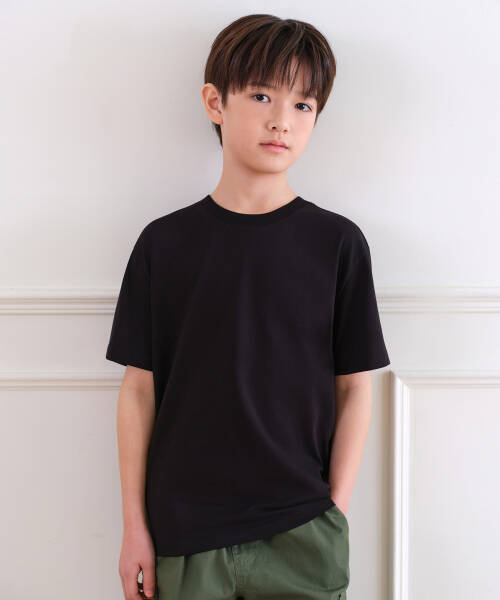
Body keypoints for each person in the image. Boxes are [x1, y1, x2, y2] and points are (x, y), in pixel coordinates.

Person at [106, 13, 390, 600]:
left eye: (303, 104)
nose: (281, 119)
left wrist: (333, 510)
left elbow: (355, 388)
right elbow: (138, 390)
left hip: (303, 529)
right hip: (185, 533)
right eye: (262, 95)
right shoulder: (164, 244)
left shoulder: (338, 244)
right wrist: (135, 527)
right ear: (216, 102)